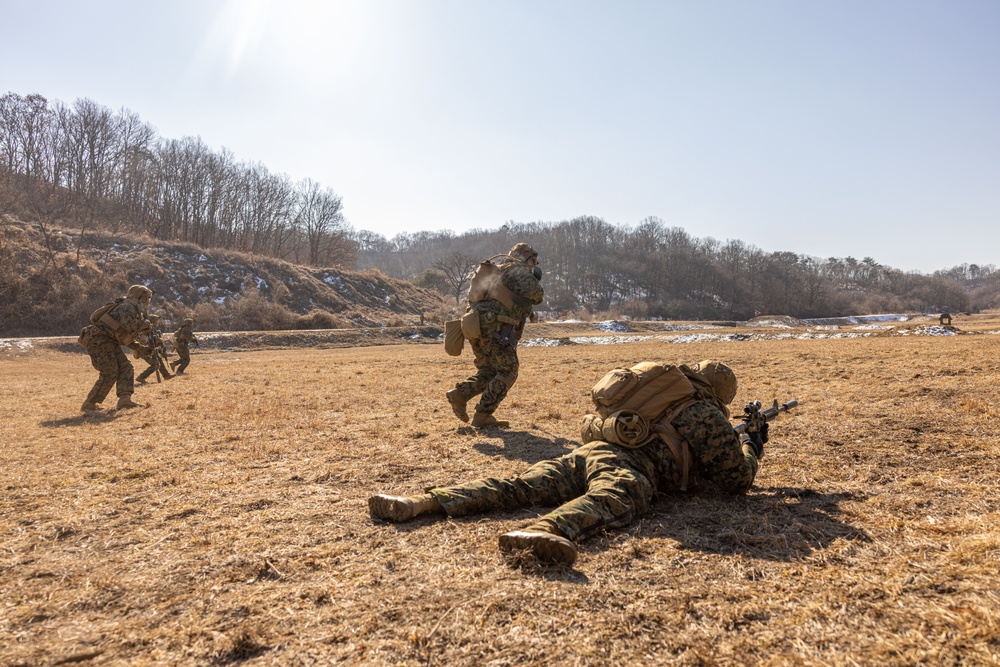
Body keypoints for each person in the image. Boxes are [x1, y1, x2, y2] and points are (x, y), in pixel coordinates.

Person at [370, 360, 766, 566]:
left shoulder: (660, 391)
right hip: (626, 465)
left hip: (590, 452)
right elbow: (734, 480)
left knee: (520, 486)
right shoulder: (703, 412)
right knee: (617, 497)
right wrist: (751, 444)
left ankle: (421, 502)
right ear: (721, 394)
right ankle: (547, 530)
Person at [446, 243, 544, 428]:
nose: (534, 265)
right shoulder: (517, 270)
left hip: (473, 325)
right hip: (495, 327)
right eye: (533, 261)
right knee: (508, 371)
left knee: (490, 371)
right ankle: (483, 415)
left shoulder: (497, 272)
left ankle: (459, 395)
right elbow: (537, 295)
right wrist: (535, 278)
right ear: (526, 258)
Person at [78, 285, 154, 411]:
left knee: (126, 367)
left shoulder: (131, 309)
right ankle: (89, 404)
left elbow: (123, 336)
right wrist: (144, 324)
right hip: (99, 340)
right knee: (110, 372)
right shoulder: (127, 307)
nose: (147, 303)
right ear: (138, 297)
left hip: (108, 341)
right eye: (146, 299)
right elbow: (129, 325)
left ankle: (125, 400)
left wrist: (141, 348)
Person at [135, 315, 173, 384]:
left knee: (159, 360)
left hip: (151, 349)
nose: (158, 322)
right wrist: (158, 341)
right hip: (143, 350)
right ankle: (141, 377)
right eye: (156, 320)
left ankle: (166, 375)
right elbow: (143, 339)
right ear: (152, 321)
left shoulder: (153, 329)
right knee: (155, 364)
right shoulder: (147, 328)